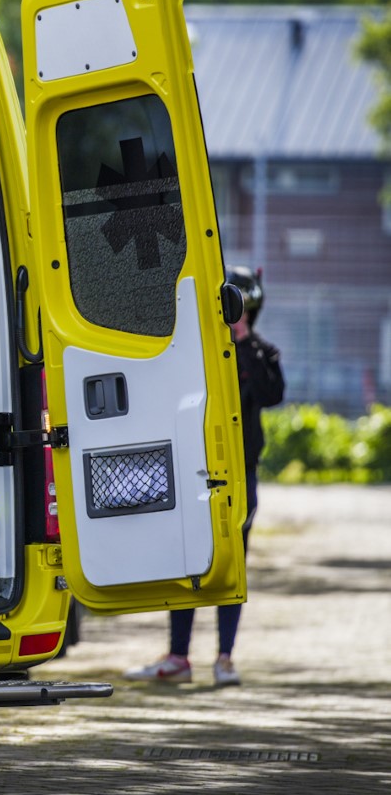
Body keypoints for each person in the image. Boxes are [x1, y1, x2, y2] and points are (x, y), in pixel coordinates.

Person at [124, 266, 284, 687]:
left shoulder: (261, 352)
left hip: (240, 473)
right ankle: (178, 656)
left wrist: (243, 339)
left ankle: (225, 657)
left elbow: (271, 395)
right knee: (187, 558)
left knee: (232, 563)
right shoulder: (196, 351)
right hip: (194, 467)